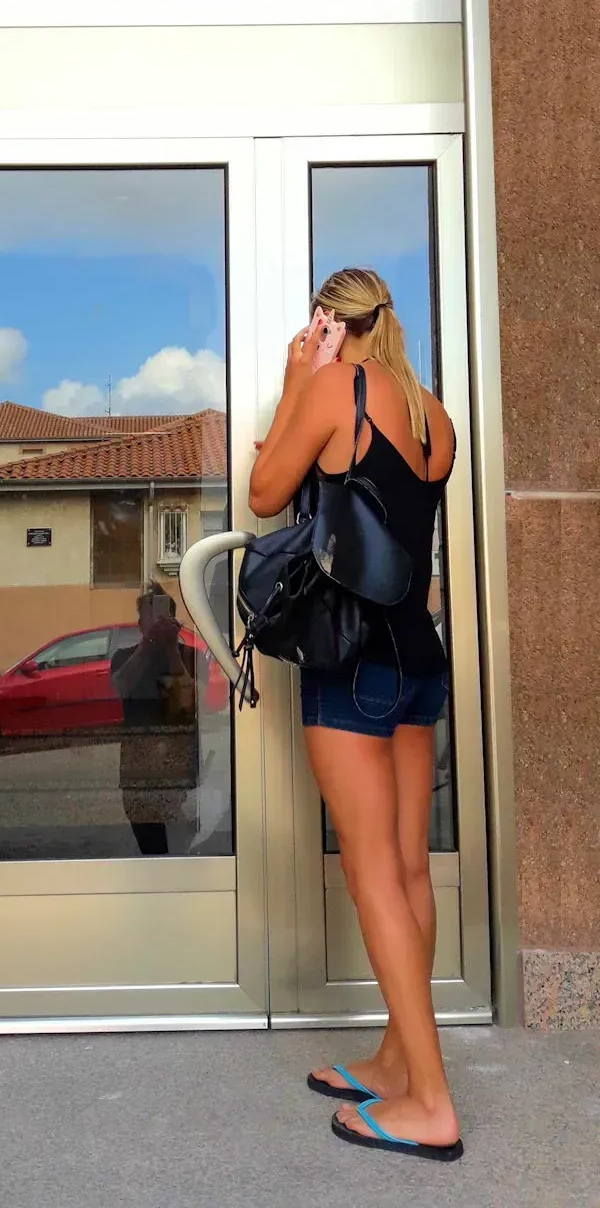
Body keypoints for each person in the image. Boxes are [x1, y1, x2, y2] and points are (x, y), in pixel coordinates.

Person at [249, 267, 461, 1161]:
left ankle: (432, 1104)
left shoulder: (337, 387)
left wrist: (302, 375)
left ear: (330, 323)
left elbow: (265, 491)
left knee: (371, 873)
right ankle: (394, 1060)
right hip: (419, 660)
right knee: (409, 870)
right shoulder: (433, 413)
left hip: (353, 662)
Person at [110, 583, 201, 857]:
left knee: (180, 846)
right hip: (138, 765)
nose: (157, 627)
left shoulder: (189, 657)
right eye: (151, 621)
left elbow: (189, 703)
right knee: (150, 843)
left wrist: (172, 649)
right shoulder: (124, 657)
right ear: (140, 626)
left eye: (163, 620)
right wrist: (146, 647)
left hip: (177, 762)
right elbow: (120, 688)